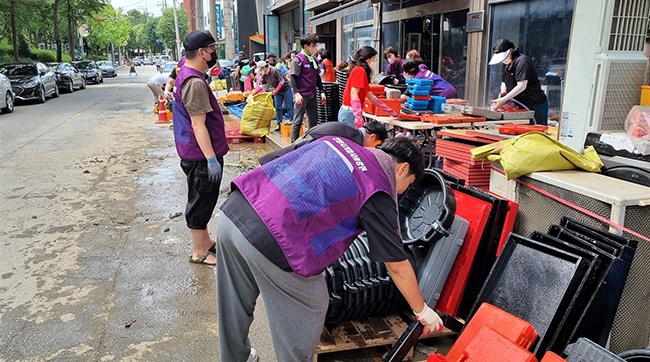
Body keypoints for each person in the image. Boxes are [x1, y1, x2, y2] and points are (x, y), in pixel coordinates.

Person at [216, 135, 444, 362]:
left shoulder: (336, 140)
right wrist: (422, 310)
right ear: (403, 169)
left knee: (233, 297)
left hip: (236, 210)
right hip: (272, 238)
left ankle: (236, 357)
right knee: (312, 302)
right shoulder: (377, 187)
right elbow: (396, 265)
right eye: (410, 184)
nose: (403, 191)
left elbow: (274, 161)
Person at [171, 30, 228, 266]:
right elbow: (198, 124)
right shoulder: (194, 82)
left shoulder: (187, 69)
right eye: (212, 49)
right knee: (200, 200)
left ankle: (205, 243)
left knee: (205, 198)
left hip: (194, 151)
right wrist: (211, 159)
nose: (215, 53)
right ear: (202, 52)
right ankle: (199, 251)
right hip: (201, 154)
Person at [258, 120, 388, 164]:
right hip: (312, 140)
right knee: (288, 158)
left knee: (288, 155)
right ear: (372, 137)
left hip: (312, 135)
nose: (374, 149)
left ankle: (265, 163)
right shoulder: (356, 139)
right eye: (376, 145)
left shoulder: (353, 132)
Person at [488, 38, 549, 125]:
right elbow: (504, 82)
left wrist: (504, 99)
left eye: (504, 56)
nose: (503, 60)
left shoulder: (522, 61)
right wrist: (503, 92)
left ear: (511, 51)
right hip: (521, 104)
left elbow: (522, 85)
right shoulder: (506, 64)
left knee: (537, 131)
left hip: (535, 103)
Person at [338, 46, 399, 128]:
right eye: (374, 58)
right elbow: (354, 93)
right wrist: (358, 115)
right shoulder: (360, 70)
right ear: (369, 58)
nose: (374, 61)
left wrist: (389, 110)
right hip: (350, 114)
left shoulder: (359, 70)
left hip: (350, 113)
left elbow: (371, 97)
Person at [289, 33, 326, 142]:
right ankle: (293, 144)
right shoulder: (297, 60)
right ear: (306, 47)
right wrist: (296, 93)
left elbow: (317, 77)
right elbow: (293, 77)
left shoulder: (313, 60)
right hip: (302, 95)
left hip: (312, 95)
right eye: (313, 46)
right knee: (298, 120)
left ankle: (311, 142)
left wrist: (322, 91)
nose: (315, 48)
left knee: (313, 120)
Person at [254, 60, 293, 132]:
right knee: (278, 107)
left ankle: (292, 122)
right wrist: (253, 94)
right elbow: (262, 85)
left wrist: (276, 91)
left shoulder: (274, 71)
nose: (260, 71)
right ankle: (279, 124)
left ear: (264, 67)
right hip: (277, 91)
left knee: (289, 106)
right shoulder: (264, 75)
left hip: (286, 89)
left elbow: (282, 81)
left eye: (261, 69)